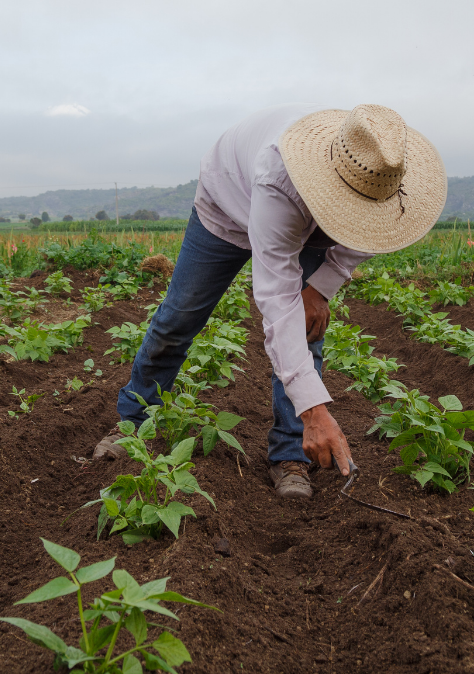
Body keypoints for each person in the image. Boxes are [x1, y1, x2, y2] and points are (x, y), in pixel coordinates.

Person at [92, 103, 446, 497]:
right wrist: (316, 411)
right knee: (179, 319)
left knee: (308, 328)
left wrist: (320, 288)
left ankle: (290, 454)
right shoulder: (281, 177)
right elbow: (277, 304)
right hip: (228, 204)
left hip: (309, 222)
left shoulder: (383, 178)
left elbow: (367, 240)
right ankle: (133, 422)